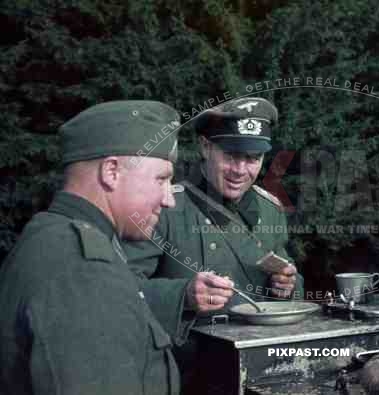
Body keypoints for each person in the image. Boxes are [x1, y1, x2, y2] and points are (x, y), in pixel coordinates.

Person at [0, 100, 198, 395]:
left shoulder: (51, 235)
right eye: (162, 179)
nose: (169, 199)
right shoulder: (83, 270)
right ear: (112, 172)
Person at [124, 97, 304, 316]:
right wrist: (183, 295)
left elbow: (287, 273)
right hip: (190, 348)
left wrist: (286, 286)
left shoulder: (270, 209)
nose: (239, 170)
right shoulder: (164, 206)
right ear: (205, 147)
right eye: (231, 155)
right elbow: (120, 287)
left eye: (253, 158)